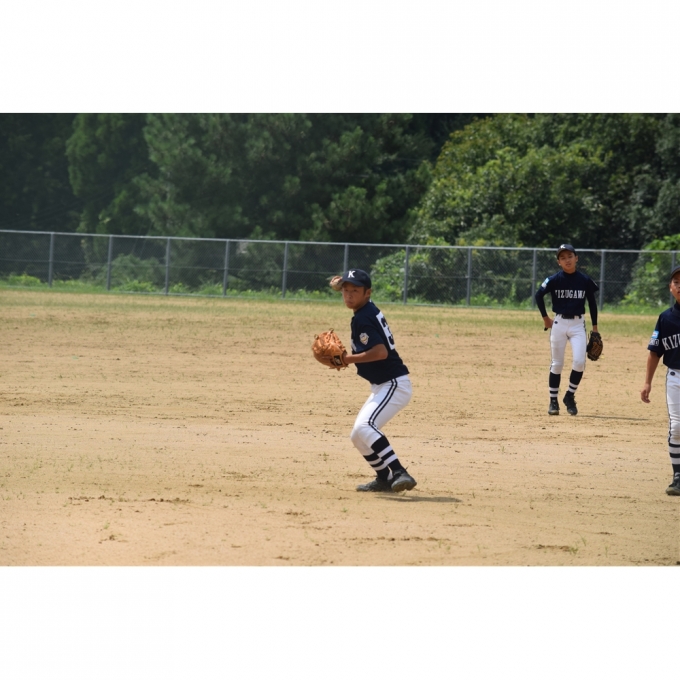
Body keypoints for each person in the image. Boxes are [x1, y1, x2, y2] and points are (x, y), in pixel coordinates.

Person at [333, 268, 417, 492]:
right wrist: (340, 284)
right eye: (345, 290)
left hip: (394, 384)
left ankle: (399, 471)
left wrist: (347, 359)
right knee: (358, 436)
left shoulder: (364, 318)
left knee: (365, 426)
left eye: (355, 291)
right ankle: (384, 479)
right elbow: (351, 287)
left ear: (367, 293)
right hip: (383, 385)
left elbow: (380, 352)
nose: (349, 295)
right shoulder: (365, 309)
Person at [535, 244, 600, 416]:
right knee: (557, 363)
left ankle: (569, 396)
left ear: (576, 258)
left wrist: (595, 328)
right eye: (562, 258)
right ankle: (553, 401)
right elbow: (538, 295)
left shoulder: (584, 280)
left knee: (579, 362)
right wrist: (545, 318)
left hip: (578, 324)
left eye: (570, 256)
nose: (567, 260)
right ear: (559, 262)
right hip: (559, 323)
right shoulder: (554, 279)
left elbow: (592, 304)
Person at [640, 265, 680, 496]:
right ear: (670, 287)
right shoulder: (666, 318)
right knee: (677, 427)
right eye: (676, 282)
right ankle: (678, 476)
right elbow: (654, 353)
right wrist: (647, 382)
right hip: (675, 377)